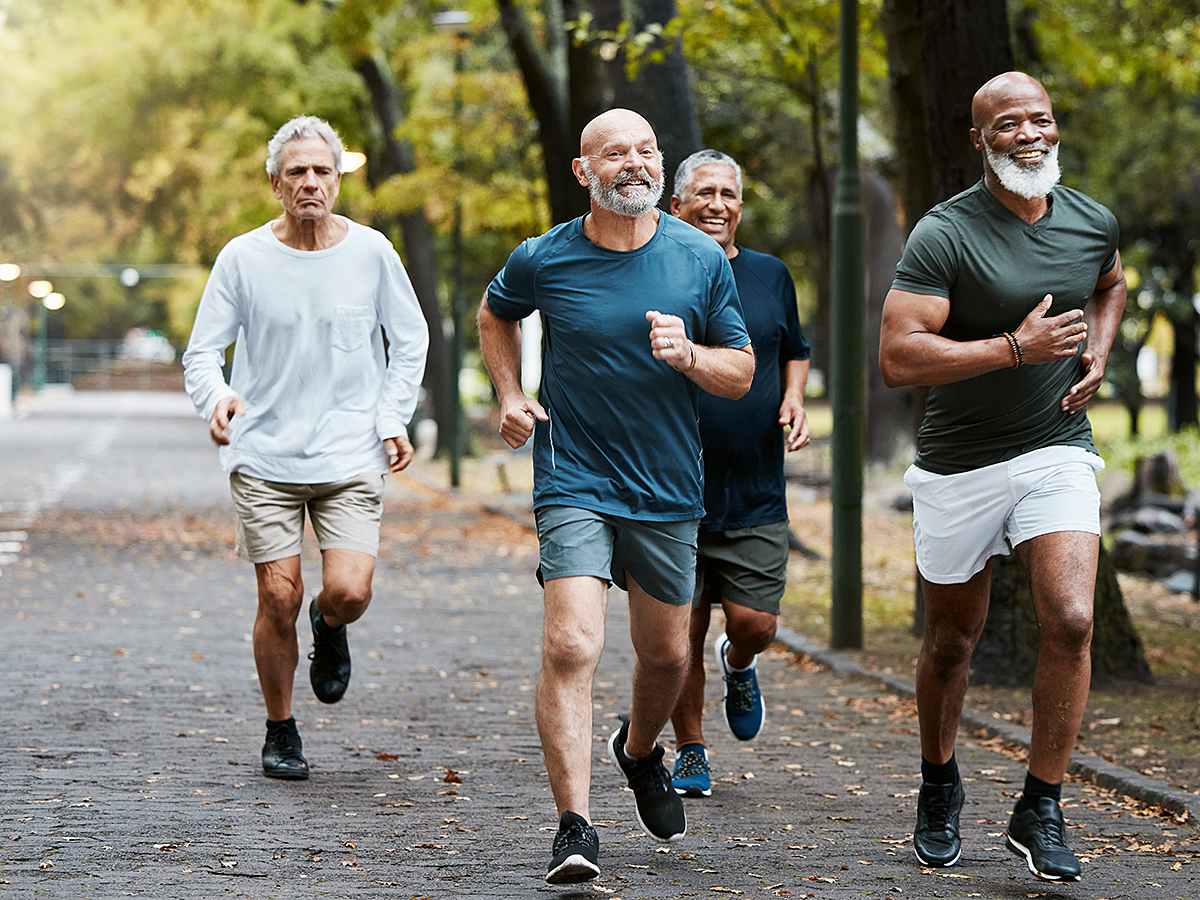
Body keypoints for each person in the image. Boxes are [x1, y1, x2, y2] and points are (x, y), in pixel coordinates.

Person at [477, 109, 755, 885]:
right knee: (572, 644)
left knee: (667, 654)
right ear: (583, 171)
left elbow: (741, 370)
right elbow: (496, 313)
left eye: (646, 151)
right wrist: (509, 393)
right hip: (575, 478)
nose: (634, 164)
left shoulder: (699, 257)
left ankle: (638, 752)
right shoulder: (546, 257)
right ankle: (575, 826)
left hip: (668, 486)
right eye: (615, 153)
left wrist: (690, 354)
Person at [879, 72, 1126, 882]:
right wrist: (1014, 349)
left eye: (1041, 120)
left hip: (1056, 446)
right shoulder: (944, 234)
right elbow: (898, 356)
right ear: (979, 139)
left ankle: (1041, 806)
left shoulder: (1091, 220)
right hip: (958, 464)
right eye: (1009, 123)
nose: (1029, 134)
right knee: (953, 639)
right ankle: (939, 781)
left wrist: (1098, 350)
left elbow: (1110, 282)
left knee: (1073, 619)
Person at [182, 115, 429, 782]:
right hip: (263, 454)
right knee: (278, 598)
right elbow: (202, 353)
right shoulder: (243, 257)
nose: (311, 182)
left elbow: (409, 342)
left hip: (351, 453)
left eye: (323, 171)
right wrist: (217, 399)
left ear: (339, 180)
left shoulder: (374, 253)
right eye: (297, 172)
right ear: (276, 183)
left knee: (347, 590)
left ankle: (331, 625)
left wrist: (392, 416)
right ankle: (281, 728)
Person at [665, 150, 811, 799]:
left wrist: (795, 397)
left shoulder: (771, 275)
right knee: (679, 634)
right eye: (704, 193)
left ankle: (740, 661)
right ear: (677, 207)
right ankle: (690, 749)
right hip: (672, 491)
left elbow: (795, 350)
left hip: (755, 487)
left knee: (754, 622)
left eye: (728, 193)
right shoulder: (657, 275)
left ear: (740, 207)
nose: (717, 204)